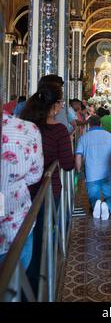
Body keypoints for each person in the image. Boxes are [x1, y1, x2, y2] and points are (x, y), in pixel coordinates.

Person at [21, 82, 75, 294]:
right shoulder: (59, 130)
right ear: (53, 106)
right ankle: (35, 287)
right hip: (47, 190)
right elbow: (69, 165)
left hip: (25, 190)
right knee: (43, 236)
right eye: (60, 102)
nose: (62, 106)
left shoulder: (25, 124)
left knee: (22, 235)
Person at [0, 113, 44, 270]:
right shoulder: (27, 130)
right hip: (14, 224)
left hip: (14, 224)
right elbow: (35, 176)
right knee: (14, 282)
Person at [75, 115, 111, 220]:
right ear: (100, 124)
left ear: (89, 124)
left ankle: (96, 204)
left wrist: (78, 171)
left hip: (91, 175)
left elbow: (78, 156)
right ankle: (107, 207)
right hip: (108, 174)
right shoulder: (109, 136)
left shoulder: (84, 137)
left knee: (93, 198)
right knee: (109, 197)